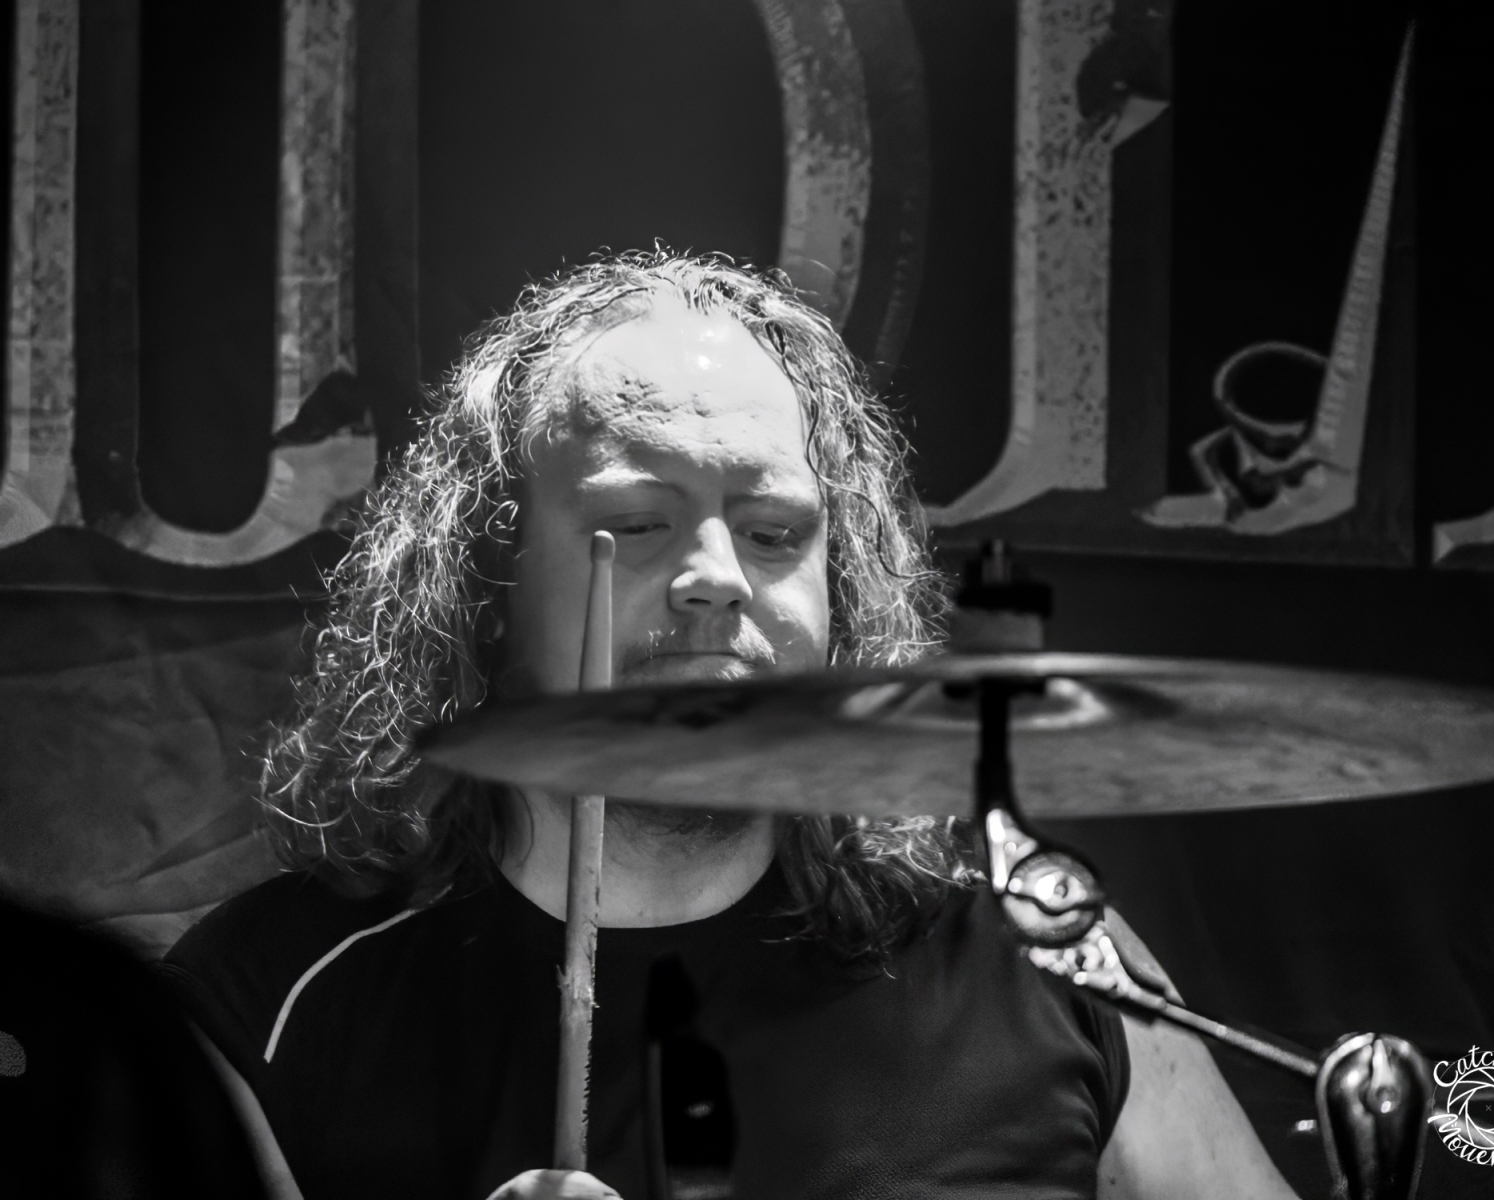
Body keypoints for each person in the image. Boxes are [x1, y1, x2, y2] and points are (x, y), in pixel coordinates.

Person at [162, 251, 1299, 1200]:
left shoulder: (1040, 962)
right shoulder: (268, 1003)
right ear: (487, 585)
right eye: (637, 524)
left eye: (771, 533)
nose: (717, 577)